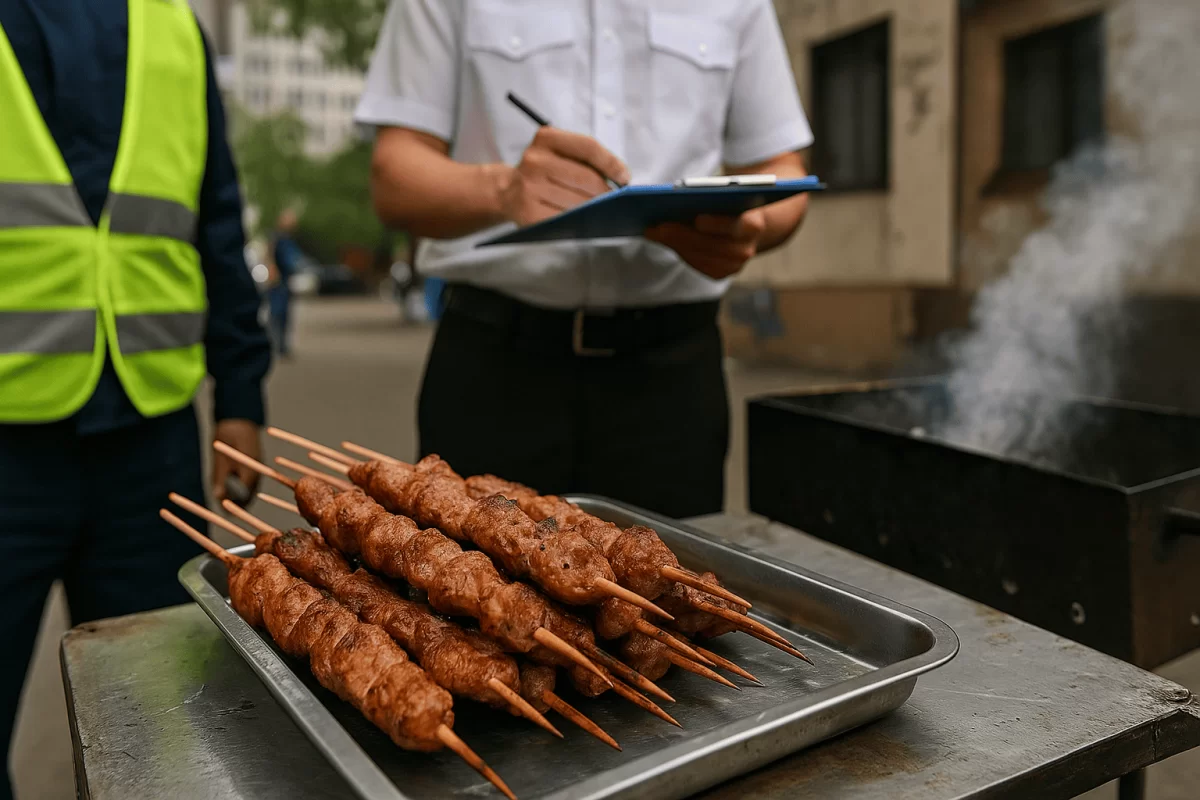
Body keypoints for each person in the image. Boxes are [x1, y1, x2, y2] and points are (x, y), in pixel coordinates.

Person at [356, 0, 813, 518]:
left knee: (667, 590)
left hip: (670, 383)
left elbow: (783, 164)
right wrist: (504, 189)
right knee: (460, 587)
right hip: (493, 369)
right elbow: (394, 175)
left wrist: (749, 228)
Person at [0, 2, 271, 796]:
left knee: (164, 730)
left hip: (148, 447)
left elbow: (216, 218)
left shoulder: (170, 27)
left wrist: (241, 393)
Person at [268, 208, 303, 357]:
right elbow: (270, 255)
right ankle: (276, 345)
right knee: (277, 315)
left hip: (284, 281)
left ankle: (281, 346)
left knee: (283, 316)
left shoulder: (286, 238)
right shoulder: (278, 238)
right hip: (278, 282)